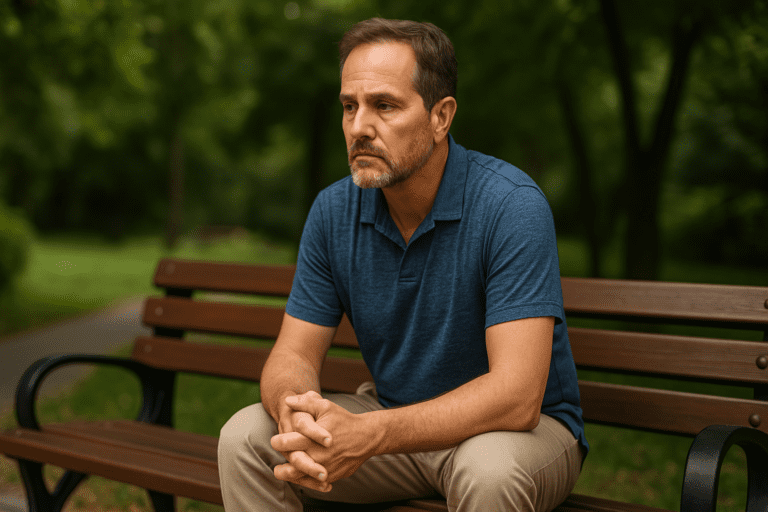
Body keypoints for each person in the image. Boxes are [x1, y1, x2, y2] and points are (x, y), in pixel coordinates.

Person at [218, 17, 588, 512]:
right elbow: (293, 356)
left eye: (384, 106)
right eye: (349, 106)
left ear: (441, 117)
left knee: (489, 472)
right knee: (247, 438)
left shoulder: (509, 205)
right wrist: (295, 409)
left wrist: (370, 433)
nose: (359, 127)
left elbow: (516, 397)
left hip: (518, 433)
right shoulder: (334, 211)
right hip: (395, 425)